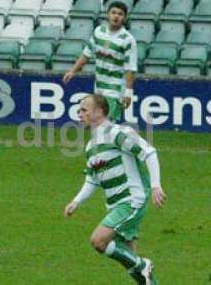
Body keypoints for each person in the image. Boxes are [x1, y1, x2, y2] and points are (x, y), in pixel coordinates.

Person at [64, 94, 166, 284]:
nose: (79, 114)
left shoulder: (117, 133)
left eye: (84, 110)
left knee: (98, 241)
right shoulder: (90, 146)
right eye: (79, 110)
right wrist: (76, 201)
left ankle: (144, 265)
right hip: (115, 205)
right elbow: (92, 179)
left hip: (131, 201)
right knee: (132, 264)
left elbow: (149, 152)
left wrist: (155, 186)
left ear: (100, 111)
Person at [63, 1, 137, 122]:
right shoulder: (99, 32)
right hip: (98, 86)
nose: (116, 16)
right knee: (98, 122)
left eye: (120, 14)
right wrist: (72, 71)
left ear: (125, 18)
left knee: (107, 124)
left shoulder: (128, 40)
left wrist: (128, 93)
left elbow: (131, 69)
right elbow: (86, 54)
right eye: (113, 13)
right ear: (108, 14)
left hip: (115, 88)